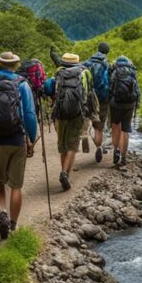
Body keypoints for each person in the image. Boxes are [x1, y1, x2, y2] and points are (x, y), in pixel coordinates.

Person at [0, 51, 38, 239]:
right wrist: (31, 138)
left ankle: (2, 212)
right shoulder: (22, 84)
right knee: (16, 185)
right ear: (15, 65)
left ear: (0, 64)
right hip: (17, 139)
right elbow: (29, 114)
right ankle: (13, 225)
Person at [44, 52, 98, 191]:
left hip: (60, 112)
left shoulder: (59, 72)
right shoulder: (85, 72)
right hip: (77, 113)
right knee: (73, 144)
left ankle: (65, 172)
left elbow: (50, 90)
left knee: (63, 145)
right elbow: (88, 93)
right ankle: (65, 173)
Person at [108, 55, 141, 166]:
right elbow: (137, 89)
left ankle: (115, 151)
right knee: (125, 129)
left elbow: (110, 86)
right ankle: (124, 157)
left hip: (116, 103)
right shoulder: (132, 71)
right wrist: (138, 103)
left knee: (115, 126)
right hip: (129, 104)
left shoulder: (114, 70)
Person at [84, 41, 112, 163]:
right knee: (99, 127)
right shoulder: (106, 64)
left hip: (88, 97)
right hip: (103, 98)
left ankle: (86, 136)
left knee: (88, 120)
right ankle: (99, 146)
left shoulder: (87, 62)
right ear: (107, 52)